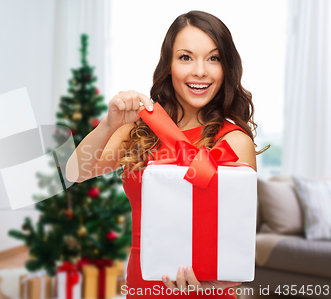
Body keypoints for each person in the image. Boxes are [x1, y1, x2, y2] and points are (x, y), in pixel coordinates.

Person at [66, 10, 267, 298]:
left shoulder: (234, 141)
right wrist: (109, 124)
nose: (200, 70)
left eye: (213, 58)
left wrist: (217, 284)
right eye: (186, 57)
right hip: (142, 285)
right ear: (169, 65)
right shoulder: (140, 129)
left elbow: (237, 237)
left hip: (205, 291)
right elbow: (75, 172)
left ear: (226, 68)